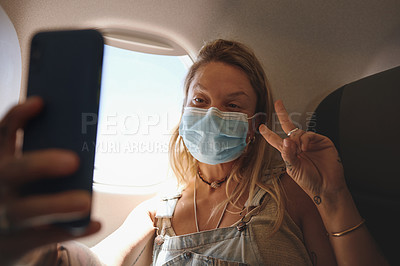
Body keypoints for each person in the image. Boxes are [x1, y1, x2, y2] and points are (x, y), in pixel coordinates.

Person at [0, 39, 388, 265]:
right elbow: (96, 261)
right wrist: (35, 247)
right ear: (183, 112)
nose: (212, 115)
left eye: (233, 106)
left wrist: (334, 195)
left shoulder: (290, 194)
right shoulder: (156, 213)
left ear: (255, 126)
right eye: (200, 100)